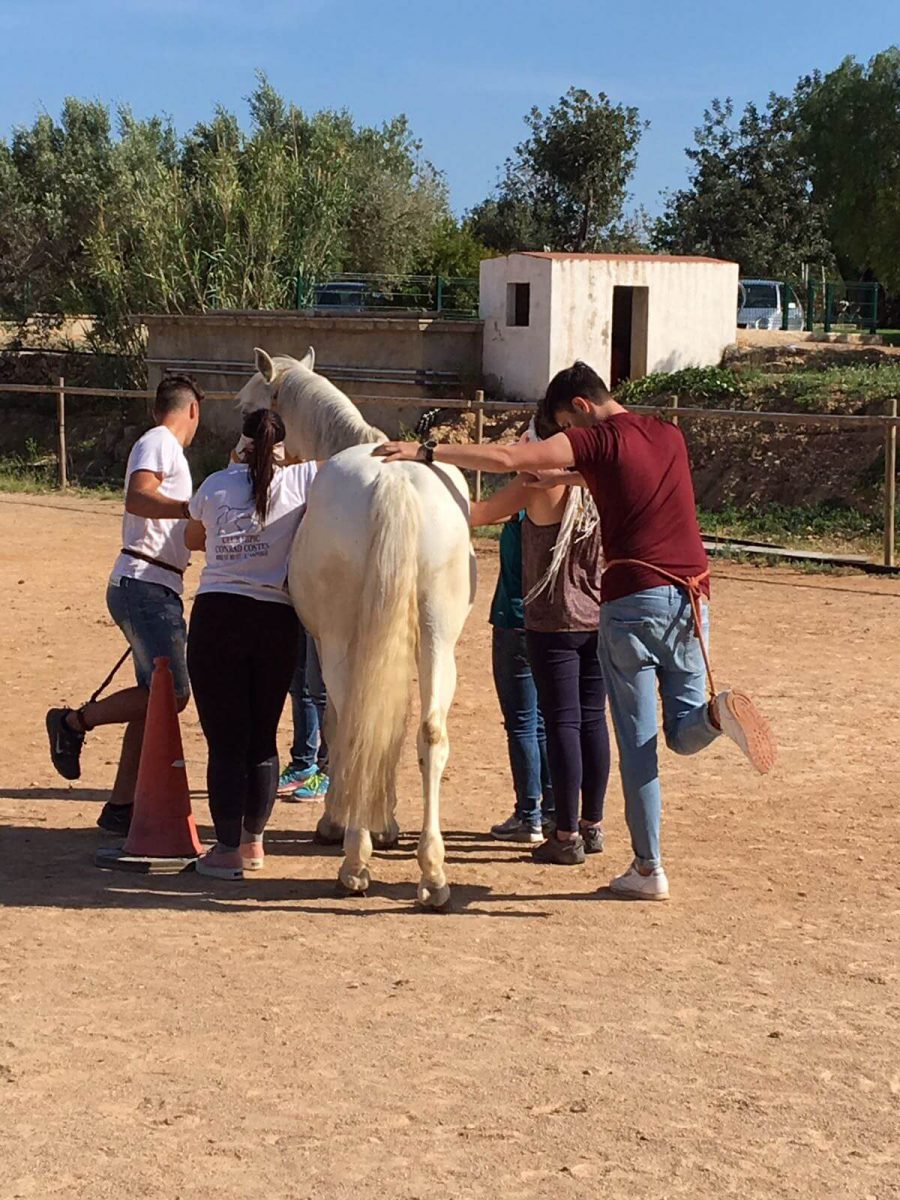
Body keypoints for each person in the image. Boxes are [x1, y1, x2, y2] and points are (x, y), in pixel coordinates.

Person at [375, 361, 776, 901]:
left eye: (567, 424)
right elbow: (611, 476)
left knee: (639, 745)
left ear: (581, 409)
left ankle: (648, 866)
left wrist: (425, 451)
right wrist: (564, 478)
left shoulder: (599, 440)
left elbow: (506, 458)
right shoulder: (667, 434)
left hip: (634, 599)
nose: (568, 435)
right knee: (683, 730)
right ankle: (717, 712)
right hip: (693, 597)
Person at [46, 374, 203, 835]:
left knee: (151, 702)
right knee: (170, 696)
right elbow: (138, 496)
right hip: (145, 584)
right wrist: (187, 510)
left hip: (151, 582)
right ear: (191, 410)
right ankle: (73, 723)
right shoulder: (160, 442)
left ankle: (121, 805)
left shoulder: (164, 446)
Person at [185, 407, 317, 880]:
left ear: (240, 443)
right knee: (262, 737)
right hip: (276, 618)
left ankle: (224, 848)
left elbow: (191, 536)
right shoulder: (303, 479)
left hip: (219, 612)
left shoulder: (216, 484)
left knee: (225, 740)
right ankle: (253, 843)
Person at [471, 424, 609, 864]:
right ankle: (591, 825)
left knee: (556, 724)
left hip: (553, 621)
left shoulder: (537, 485)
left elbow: (479, 513)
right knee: (592, 722)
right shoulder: (601, 483)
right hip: (599, 616)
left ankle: (561, 831)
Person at [468, 504, 554, 843]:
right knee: (543, 722)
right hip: (549, 621)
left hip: (514, 619)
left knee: (520, 723)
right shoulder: (567, 503)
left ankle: (528, 814)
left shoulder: (525, 502)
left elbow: (480, 512)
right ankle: (551, 810)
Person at [276, 630, 330, 801]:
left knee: (322, 691)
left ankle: (328, 769)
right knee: (300, 684)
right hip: (301, 610)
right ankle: (303, 764)